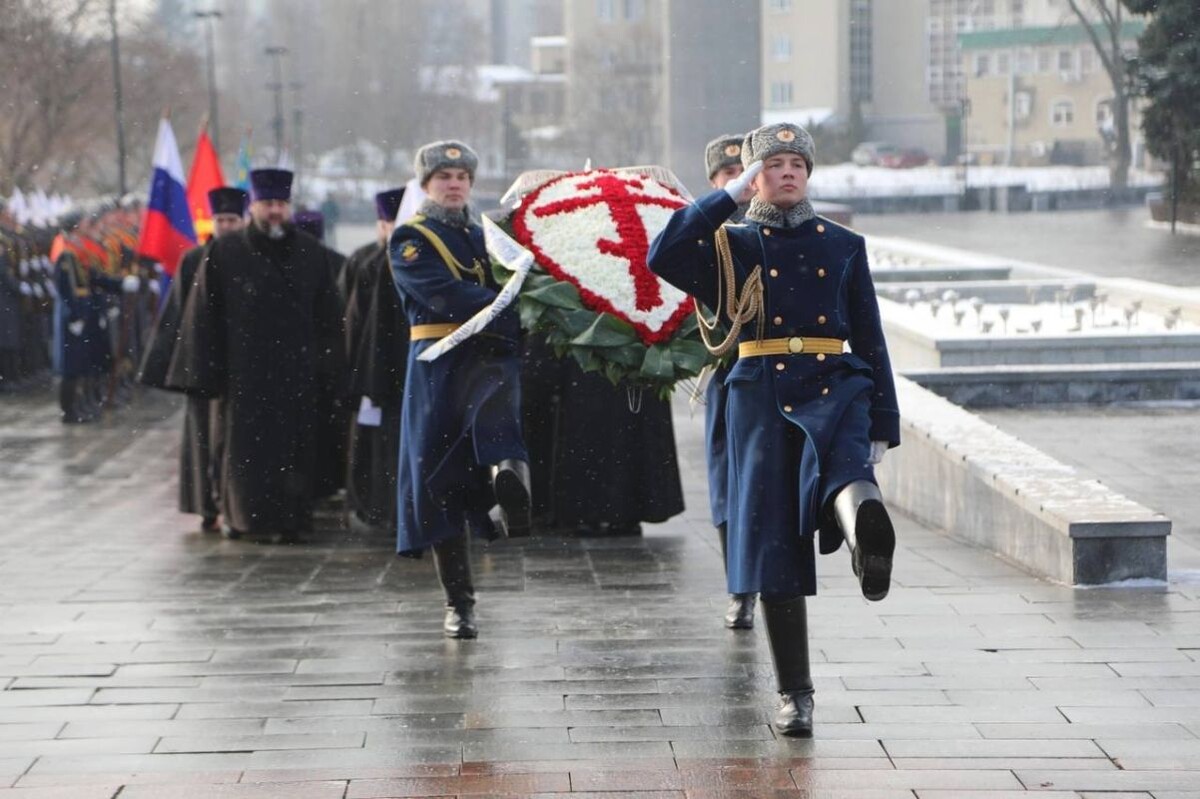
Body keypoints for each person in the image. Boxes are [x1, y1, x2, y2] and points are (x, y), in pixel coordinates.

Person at [648, 122, 901, 737]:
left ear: (809, 174)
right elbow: (664, 254)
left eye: (797, 162)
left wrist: (884, 420)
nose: (788, 171)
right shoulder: (731, 244)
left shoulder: (843, 244)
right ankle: (796, 695)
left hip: (835, 381)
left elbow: (869, 333)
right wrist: (724, 198)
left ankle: (870, 544)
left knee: (847, 470)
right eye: (775, 163)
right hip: (760, 392)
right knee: (772, 547)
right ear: (754, 174)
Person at [389, 141, 530, 639]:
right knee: (439, 479)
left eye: (461, 176)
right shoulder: (411, 238)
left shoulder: (485, 235)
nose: (454, 184)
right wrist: (508, 305)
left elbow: (522, 276)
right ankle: (459, 601)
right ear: (426, 185)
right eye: (443, 176)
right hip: (437, 368)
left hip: (484, 361)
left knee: (496, 434)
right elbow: (441, 294)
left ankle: (509, 489)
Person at [167, 169, 345, 544]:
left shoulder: (310, 253)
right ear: (254, 207)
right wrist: (204, 374)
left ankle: (293, 518)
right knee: (246, 458)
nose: (275, 212)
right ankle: (248, 519)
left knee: (295, 456)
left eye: (281, 204)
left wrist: (330, 369)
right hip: (244, 377)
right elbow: (203, 318)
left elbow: (329, 318)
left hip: (297, 377)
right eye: (267, 204)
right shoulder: (225, 251)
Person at [139, 187, 248, 533]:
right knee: (203, 436)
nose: (226, 226)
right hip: (202, 363)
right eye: (221, 220)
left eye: (232, 220)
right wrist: (172, 363)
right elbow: (177, 316)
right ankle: (207, 505)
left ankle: (235, 505)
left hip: (238, 365)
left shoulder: (252, 258)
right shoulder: (193, 260)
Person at [702, 133, 758, 630]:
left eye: (748, 175)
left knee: (765, 483)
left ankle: (765, 581)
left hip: (771, 376)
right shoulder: (703, 237)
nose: (742, 186)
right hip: (725, 374)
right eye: (729, 178)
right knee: (725, 484)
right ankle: (739, 588)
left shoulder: (777, 229)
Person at [343, 188, 408, 530]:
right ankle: (372, 503)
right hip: (373, 365)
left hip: (399, 363)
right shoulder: (365, 263)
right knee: (373, 442)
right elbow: (352, 320)